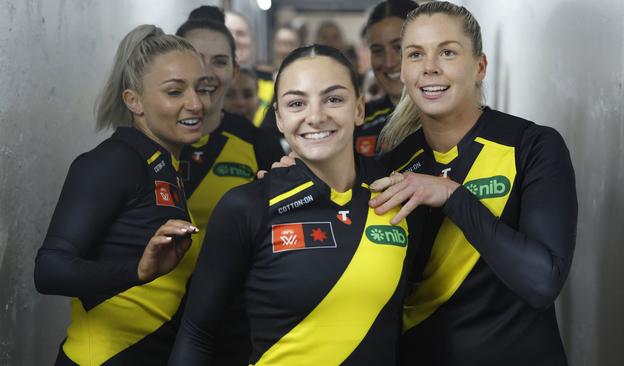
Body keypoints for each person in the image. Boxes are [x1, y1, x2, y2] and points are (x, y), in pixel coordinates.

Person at [168, 45, 424, 365]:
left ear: (358, 108)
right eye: (297, 103)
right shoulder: (246, 207)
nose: (315, 117)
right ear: (278, 117)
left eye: (334, 99)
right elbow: (196, 334)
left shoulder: (398, 195)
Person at [369, 2, 578, 365]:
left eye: (447, 52)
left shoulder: (532, 145)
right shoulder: (390, 168)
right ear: (403, 70)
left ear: (479, 66)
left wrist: (452, 195)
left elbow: (543, 282)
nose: (430, 67)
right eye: (416, 54)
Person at [33, 25, 213, 365]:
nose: (196, 103)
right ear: (134, 101)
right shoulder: (113, 162)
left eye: (200, 88)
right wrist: (137, 270)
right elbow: (48, 269)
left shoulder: (163, 165)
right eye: (175, 92)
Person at [175, 18, 284, 365]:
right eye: (195, 57)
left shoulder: (256, 141)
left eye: (219, 61)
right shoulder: (149, 138)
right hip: (148, 323)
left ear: (236, 69)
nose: (205, 72)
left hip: (233, 325)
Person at [354, 0, 419, 158]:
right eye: (377, 51)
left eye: (398, 47)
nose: (388, 62)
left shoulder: (449, 116)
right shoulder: (359, 120)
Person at [226, 11, 274, 127]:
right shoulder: (206, 86)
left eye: (241, 34)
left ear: (252, 40)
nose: (234, 39)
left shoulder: (275, 85)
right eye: (226, 33)